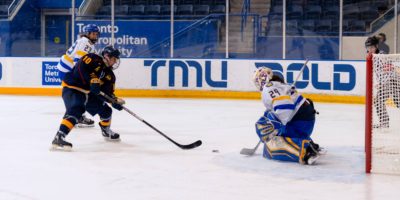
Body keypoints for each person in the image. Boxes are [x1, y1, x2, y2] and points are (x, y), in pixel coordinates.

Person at [51, 46, 125, 150]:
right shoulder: (92, 58)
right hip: (73, 88)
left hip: (88, 94)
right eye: (114, 58)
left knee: (106, 111)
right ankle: (59, 137)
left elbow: (107, 93)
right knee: (76, 109)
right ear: (107, 56)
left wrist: (113, 101)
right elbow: (80, 68)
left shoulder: (110, 76)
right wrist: (92, 79)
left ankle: (106, 131)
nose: (115, 61)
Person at [253, 67, 323, 165]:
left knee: (269, 145)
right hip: (305, 120)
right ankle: (309, 143)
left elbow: (285, 108)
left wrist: (274, 125)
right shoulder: (280, 85)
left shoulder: (268, 88)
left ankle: (304, 150)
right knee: (268, 116)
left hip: (299, 122)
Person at [56, 24, 100, 128]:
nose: (95, 36)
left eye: (96, 34)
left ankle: (77, 115)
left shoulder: (86, 42)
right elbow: (79, 60)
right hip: (67, 69)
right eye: (93, 34)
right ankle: (73, 115)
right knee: (76, 91)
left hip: (66, 67)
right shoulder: (86, 43)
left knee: (78, 92)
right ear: (88, 34)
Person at [365, 36, 400, 128]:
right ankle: (384, 123)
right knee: (397, 102)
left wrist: (383, 83)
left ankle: (384, 123)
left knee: (378, 101)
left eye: (372, 47)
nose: (370, 49)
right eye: (368, 48)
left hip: (391, 81)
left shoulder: (379, 56)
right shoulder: (376, 56)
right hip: (392, 81)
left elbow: (388, 69)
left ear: (376, 46)